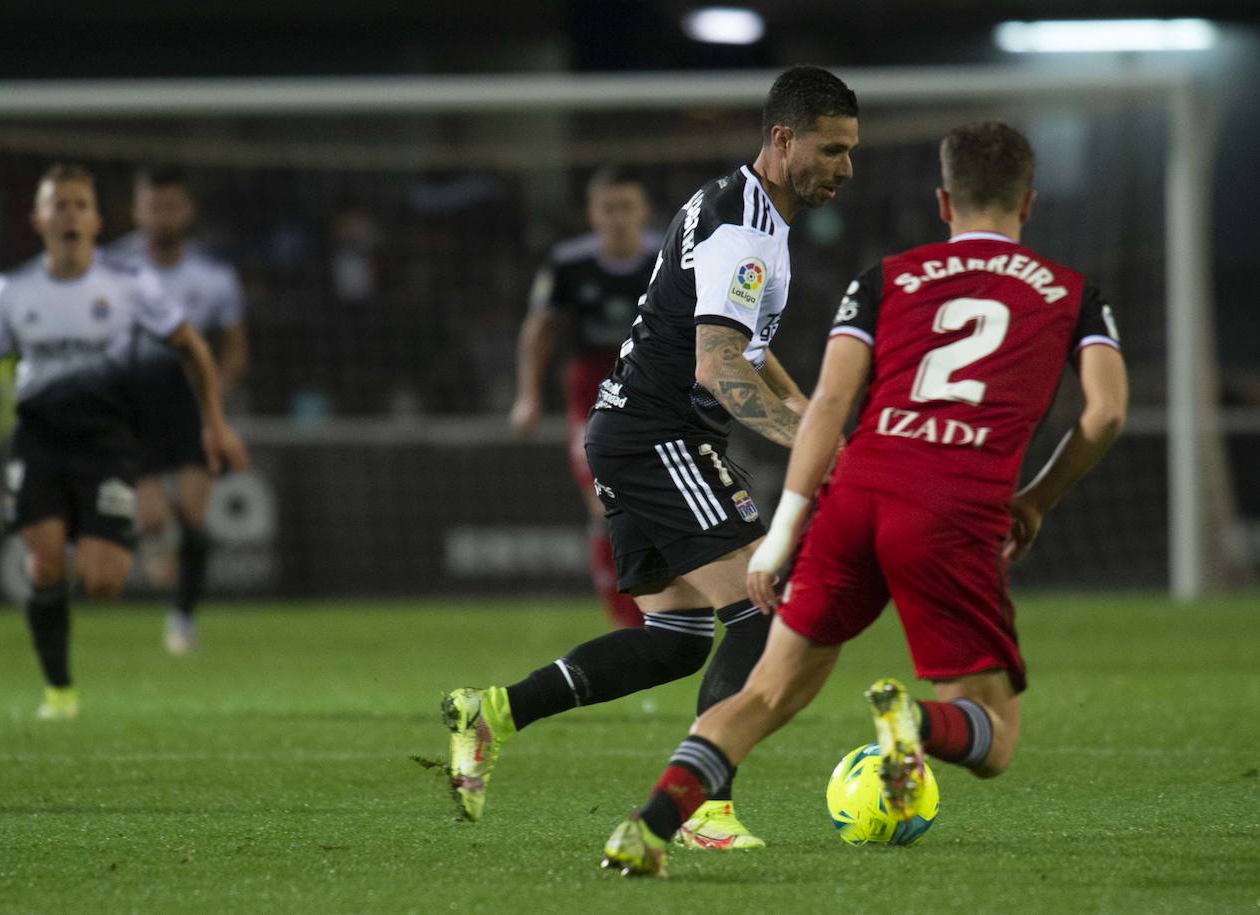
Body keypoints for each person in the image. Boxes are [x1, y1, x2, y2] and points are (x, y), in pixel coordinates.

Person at [601, 121, 1129, 877]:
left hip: (857, 496)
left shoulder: (886, 279)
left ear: (943, 202)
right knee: (995, 734)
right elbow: (1105, 414)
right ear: (1029, 203)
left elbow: (825, 407)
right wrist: (1039, 498)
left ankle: (647, 829)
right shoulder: (1073, 293)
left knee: (766, 694)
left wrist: (786, 534)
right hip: (950, 507)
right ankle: (912, 721)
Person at [444, 65, 859, 850]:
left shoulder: (736, 203)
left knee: (675, 638)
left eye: (851, 151)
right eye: (832, 150)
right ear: (783, 138)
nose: (845, 168)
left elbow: (742, 340)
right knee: (762, 610)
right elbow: (717, 364)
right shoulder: (744, 229)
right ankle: (704, 810)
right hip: (659, 433)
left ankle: (492, 712)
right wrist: (807, 441)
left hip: (633, 429)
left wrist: (807, 410)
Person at [0, 163, 248, 720]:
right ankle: (59, 691)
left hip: (107, 440)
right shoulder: (11, 290)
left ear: (97, 221)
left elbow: (193, 346)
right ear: (38, 220)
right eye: (58, 205)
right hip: (38, 438)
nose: (70, 215)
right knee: (44, 566)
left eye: (80, 205)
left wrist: (217, 423)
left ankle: (104, 552)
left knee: (104, 582)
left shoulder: (128, 284)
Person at [509, 167, 659, 629]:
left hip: (653, 388)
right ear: (592, 214)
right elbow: (539, 330)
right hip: (590, 388)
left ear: (643, 211)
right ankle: (625, 621)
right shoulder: (568, 263)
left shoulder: (668, 258)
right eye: (608, 208)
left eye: (626, 207)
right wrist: (527, 396)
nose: (618, 218)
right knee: (604, 501)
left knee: (654, 502)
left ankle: (667, 609)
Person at [119, 166, 249, 655]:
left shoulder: (214, 277)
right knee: (152, 518)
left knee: (194, 515)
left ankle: (183, 619)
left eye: (171, 207)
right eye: (152, 207)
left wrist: (215, 399)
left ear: (188, 211)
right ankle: (154, 535)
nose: (162, 217)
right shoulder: (111, 269)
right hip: (132, 406)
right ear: (136, 211)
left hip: (189, 406)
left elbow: (236, 349)